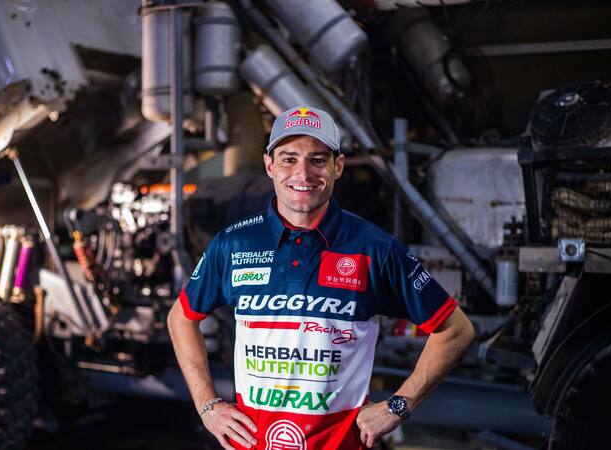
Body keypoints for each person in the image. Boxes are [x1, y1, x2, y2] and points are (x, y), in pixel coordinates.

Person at [168, 106, 475, 450]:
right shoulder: (233, 244)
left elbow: (456, 329)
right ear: (269, 165)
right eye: (288, 159)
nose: (303, 173)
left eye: (317, 160)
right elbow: (181, 318)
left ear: (338, 166)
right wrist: (207, 405)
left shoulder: (375, 248)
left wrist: (398, 406)